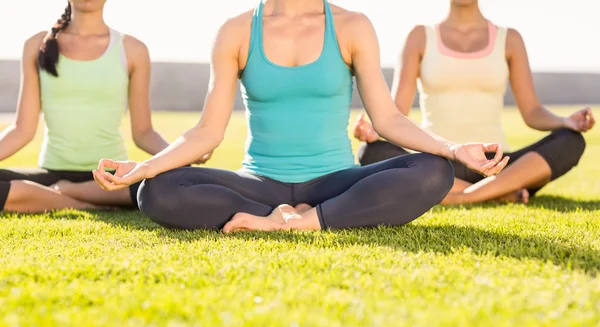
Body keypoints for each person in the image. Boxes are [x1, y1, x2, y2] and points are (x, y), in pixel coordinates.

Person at [93, 0, 508, 233]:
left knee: (433, 171)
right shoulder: (237, 30)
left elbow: (387, 119)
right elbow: (207, 132)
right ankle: (272, 218)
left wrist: (453, 150)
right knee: (156, 190)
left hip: (335, 181)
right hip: (258, 186)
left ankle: (308, 221)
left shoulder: (351, 26)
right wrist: (144, 167)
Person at [354, 0, 595, 204]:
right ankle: (498, 193)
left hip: (500, 164)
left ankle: (463, 196)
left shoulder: (509, 39)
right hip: (438, 162)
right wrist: (374, 128)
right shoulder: (420, 37)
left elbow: (532, 112)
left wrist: (564, 121)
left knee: (570, 141)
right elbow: (397, 113)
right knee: (371, 152)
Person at [0, 0, 209, 213]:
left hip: (111, 176)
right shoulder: (36, 44)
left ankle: (60, 195)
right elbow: (22, 130)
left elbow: (144, 133)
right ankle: (82, 201)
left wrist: (185, 155)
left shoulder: (133, 50)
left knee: (165, 181)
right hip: (52, 174)